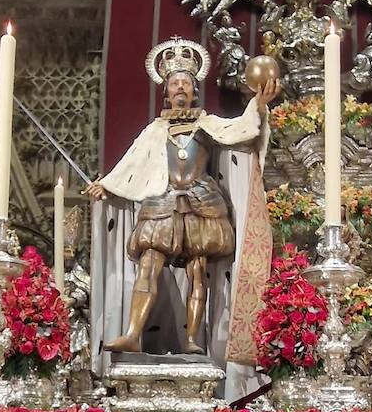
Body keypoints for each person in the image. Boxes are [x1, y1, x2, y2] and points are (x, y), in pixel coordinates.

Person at [87, 38, 278, 354]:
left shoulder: (207, 124)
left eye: (185, 83)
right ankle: (133, 334)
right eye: (174, 83)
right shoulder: (155, 130)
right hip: (162, 200)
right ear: (166, 90)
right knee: (148, 264)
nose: (180, 88)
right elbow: (132, 162)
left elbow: (243, 130)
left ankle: (192, 339)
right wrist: (107, 185)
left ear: (194, 90)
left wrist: (258, 104)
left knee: (197, 271)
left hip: (202, 201)